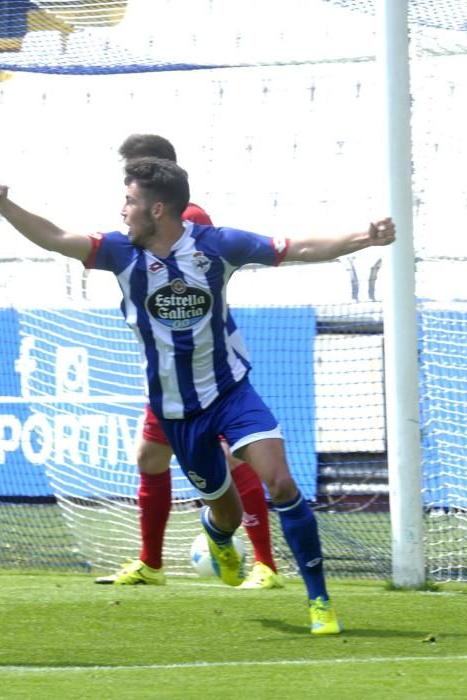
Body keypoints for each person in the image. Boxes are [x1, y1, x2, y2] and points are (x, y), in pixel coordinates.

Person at [0, 157, 396, 634]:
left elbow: (296, 247)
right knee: (225, 511)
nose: (123, 211)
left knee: (280, 483)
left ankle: (319, 602)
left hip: (231, 392)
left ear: (158, 209)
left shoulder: (216, 246)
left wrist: (365, 238)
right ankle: (218, 533)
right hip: (177, 413)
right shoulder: (120, 253)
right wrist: (6, 207)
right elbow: (55, 237)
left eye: (130, 201)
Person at [95, 135, 282, 590]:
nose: (126, 186)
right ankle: (152, 564)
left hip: (205, 369)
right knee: (150, 456)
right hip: (170, 370)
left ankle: (265, 565)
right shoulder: (147, 224)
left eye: (132, 173)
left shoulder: (189, 221)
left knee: (232, 454)